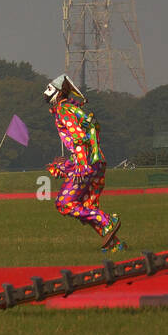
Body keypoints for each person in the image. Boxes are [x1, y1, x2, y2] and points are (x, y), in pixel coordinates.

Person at [44, 75, 126, 252]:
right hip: (97, 162)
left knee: (65, 203)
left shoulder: (64, 110)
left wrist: (81, 164)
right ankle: (115, 246)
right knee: (87, 207)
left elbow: (78, 137)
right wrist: (65, 167)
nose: (46, 94)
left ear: (57, 93)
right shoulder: (72, 108)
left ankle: (107, 220)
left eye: (49, 90)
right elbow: (90, 131)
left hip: (86, 163)